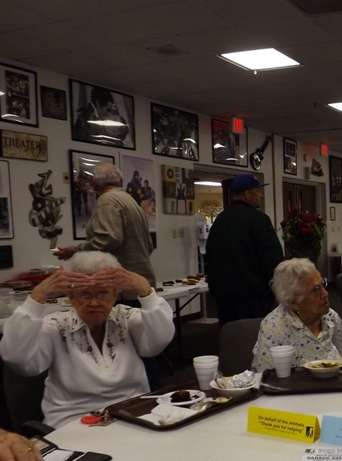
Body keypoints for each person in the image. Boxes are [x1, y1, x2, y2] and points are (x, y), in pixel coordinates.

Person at [0, 252, 174, 429]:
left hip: (132, 414)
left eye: (102, 293)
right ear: (71, 297)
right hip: (73, 422)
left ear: (115, 294)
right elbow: (19, 360)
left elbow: (159, 341)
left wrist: (146, 290)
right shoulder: (56, 325)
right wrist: (38, 295)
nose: (94, 303)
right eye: (84, 294)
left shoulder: (127, 318)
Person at [55, 164, 156, 301]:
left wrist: (75, 250)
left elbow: (110, 238)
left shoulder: (106, 201)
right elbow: (149, 245)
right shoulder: (132, 202)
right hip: (141, 282)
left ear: (95, 183)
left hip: (122, 287)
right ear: (121, 181)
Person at [252, 259, 342, 371]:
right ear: (294, 302)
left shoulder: (330, 317)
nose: (325, 294)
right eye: (316, 290)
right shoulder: (274, 328)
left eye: (322, 285)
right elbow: (265, 375)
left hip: (339, 380)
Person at [205, 173, 284, 326]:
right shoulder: (259, 220)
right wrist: (278, 290)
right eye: (258, 191)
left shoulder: (220, 220)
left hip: (224, 297)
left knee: (231, 335)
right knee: (257, 336)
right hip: (253, 297)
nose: (261, 196)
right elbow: (272, 260)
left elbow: (211, 255)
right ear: (247, 194)